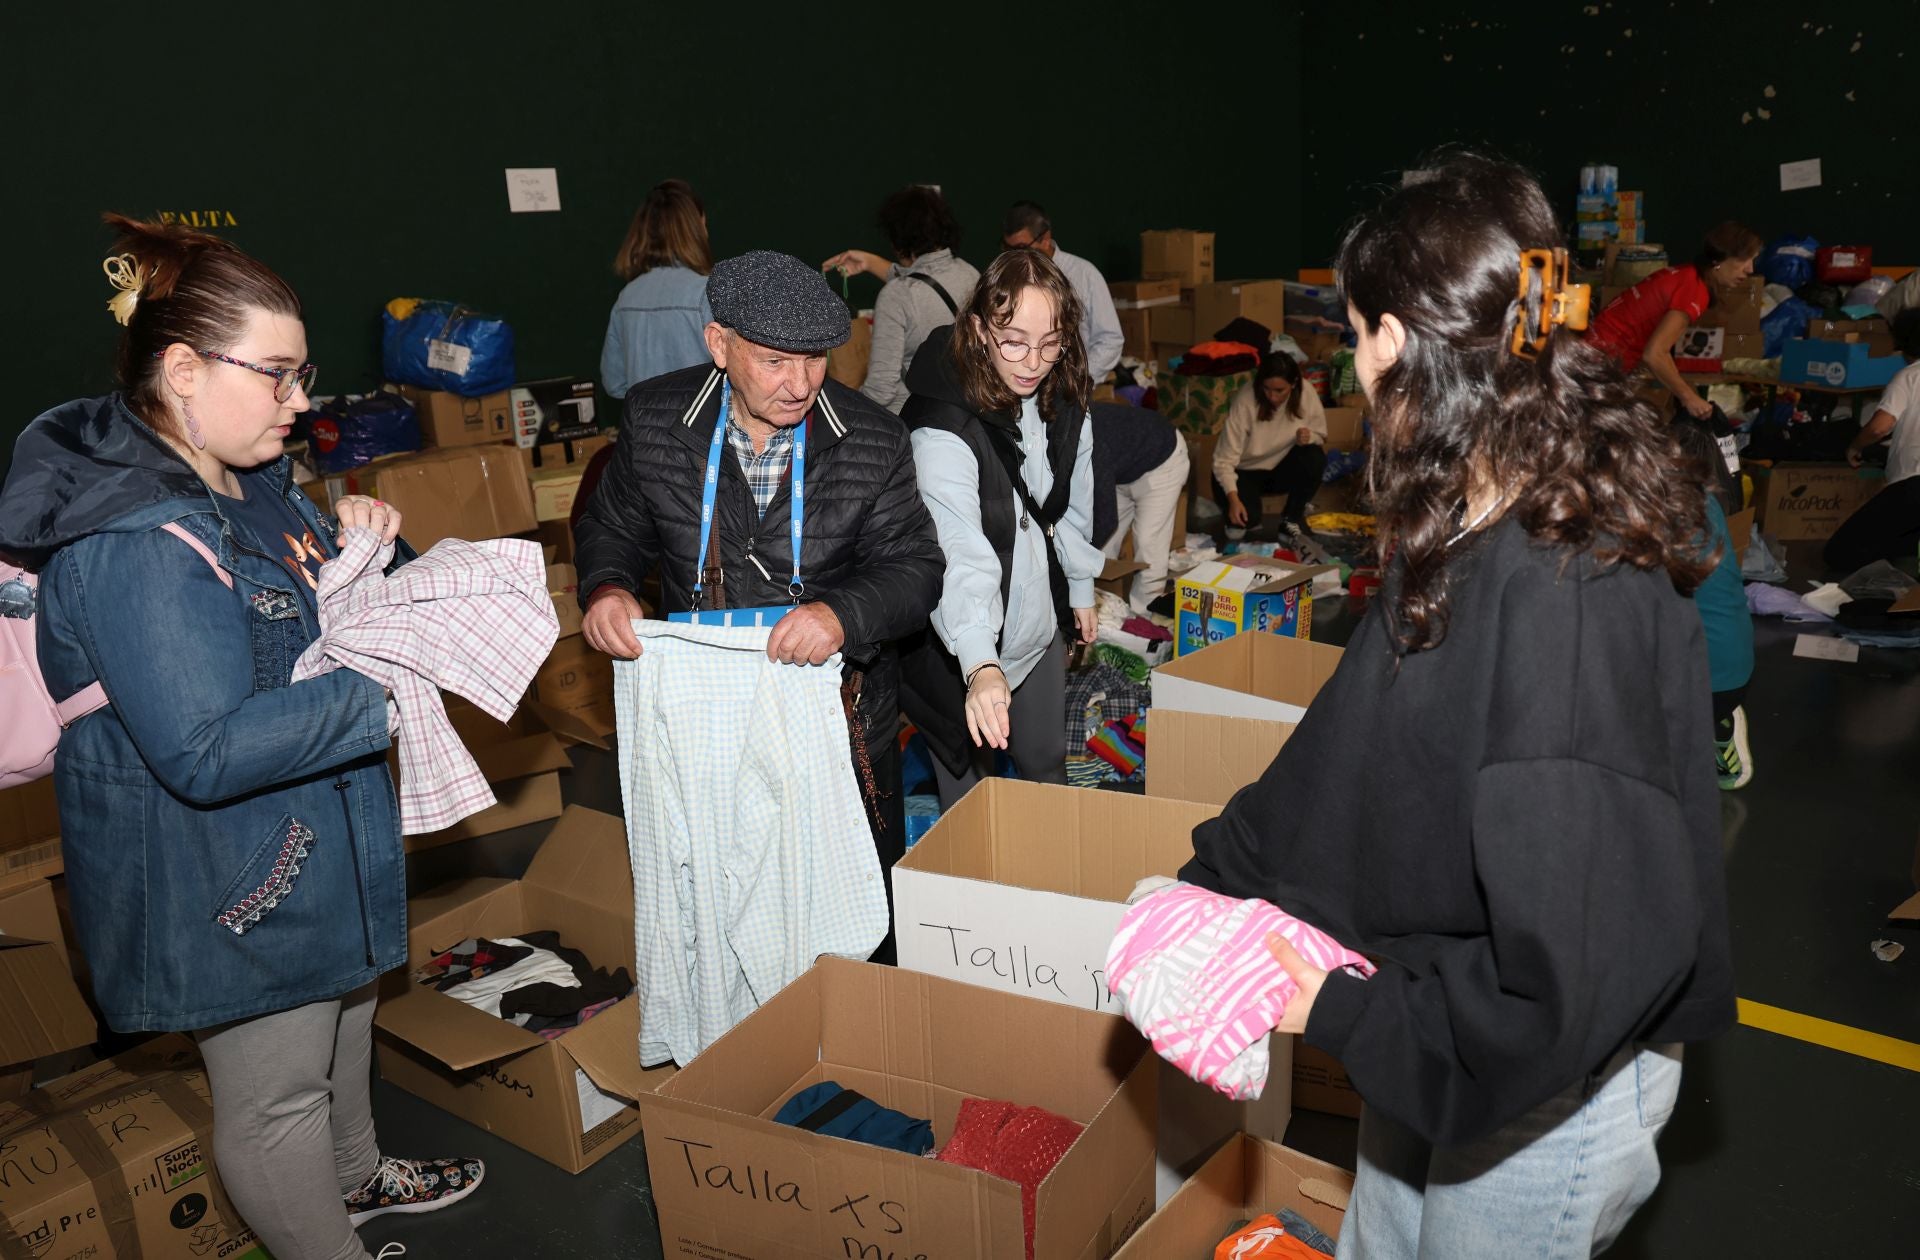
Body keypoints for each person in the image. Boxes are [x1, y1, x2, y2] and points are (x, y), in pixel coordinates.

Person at [1179, 156, 1733, 1258]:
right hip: (1442, 1015)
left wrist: (1335, 1014)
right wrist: (1207, 890)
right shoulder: (1478, 512)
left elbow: (1570, 968)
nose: (1352, 372)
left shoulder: (1568, 597)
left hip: (1548, 1074)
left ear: (1397, 343)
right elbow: (1354, 743)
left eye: (1353, 341)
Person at [0, 217, 483, 1260]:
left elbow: (295, 622)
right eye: (277, 376)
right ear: (182, 370)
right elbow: (204, 750)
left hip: (310, 834)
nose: (301, 402)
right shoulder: (132, 544)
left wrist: (359, 552)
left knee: (348, 1014)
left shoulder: (250, 480)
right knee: (276, 1102)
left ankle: (356, 1183)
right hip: (228, 875)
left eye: (302, 374)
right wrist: (381, 688)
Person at [573, 250, 944, 962]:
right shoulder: (656, 421)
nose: (800, 384)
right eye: (775, 361)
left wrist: (841, 614)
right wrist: (608, 587)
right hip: (704, 719)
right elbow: (611, 527)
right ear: (720, 345)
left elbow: (916, 569)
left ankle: (857, 1058)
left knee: (847, 908)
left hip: (838, 720)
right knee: (713, 897)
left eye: (815, 360)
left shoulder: (873, 439)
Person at [896, 249, 1105, 810]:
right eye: (1013, 340)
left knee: (1046, 765)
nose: (1032, 362)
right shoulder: (940, 428)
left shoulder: (1064, 395)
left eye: (1050, 342)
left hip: (1034, 630)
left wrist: (1080, 588)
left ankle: (1060, 888)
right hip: (958, 646)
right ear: (977, 329)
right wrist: (980, 664)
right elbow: (956, 550)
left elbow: (1070, 502)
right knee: (971, 797)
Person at [822, 184, 981, 414]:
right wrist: (868, 261)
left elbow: (881, 390)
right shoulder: (970, 274)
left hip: (913, 422)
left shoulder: (897, 296)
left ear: (897, 239)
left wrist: (843, 408)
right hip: (966, 412)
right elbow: (922, 281)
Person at [1585, 220, 1764, 419]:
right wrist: (1689, 398)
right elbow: (1655, 354)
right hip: (1597, 366)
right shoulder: (1694, 290)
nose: (1750, 269)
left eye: (1753, 260)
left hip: (1595, 361)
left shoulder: (1687, 275)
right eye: (1745, 259)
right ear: (1720, 258)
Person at [600, 178, 714, 399]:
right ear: (697, 227)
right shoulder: (706, 293)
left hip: (643, 430)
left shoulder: (626, 298)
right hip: (700, 430)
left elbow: (614, 383)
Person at [1828, 309, 1920, 571]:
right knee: (1900, 544)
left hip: (1914, 485)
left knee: (1840, 553)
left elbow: (1880, 427)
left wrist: (1855, 446)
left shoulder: (1910, 376)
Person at [1002, 200, 1125, 383]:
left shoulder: (1084, 274)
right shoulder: (1006, 276)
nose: (1015, 256)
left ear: (1045, 239)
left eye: (1021, 248)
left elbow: (1110, 339)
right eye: (1008, 248)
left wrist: (1078, 380)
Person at [1213, 352, 1328, 538]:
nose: (1272, 397)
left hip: (1278, 467)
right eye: (1266, 389)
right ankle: (1241, 508)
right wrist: (1233, 499)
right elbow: (1223, 461)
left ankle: (1290, 519)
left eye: (1279, 391)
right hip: (1243, 471)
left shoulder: (1306, 392)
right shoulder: (1245, 401)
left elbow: (1321, 436)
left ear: (1293, 384)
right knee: (1246, 522)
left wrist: (1309, 437)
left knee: (1314, 457)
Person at [1091, 402, 1190, 614]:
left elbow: (1105, 520)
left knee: (1148, 545)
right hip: (1123, 466)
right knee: (1103, 551)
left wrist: (1075, 555)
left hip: (1163, 462)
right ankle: (1102, 612)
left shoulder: (1091, 441)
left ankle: (1143, 621)